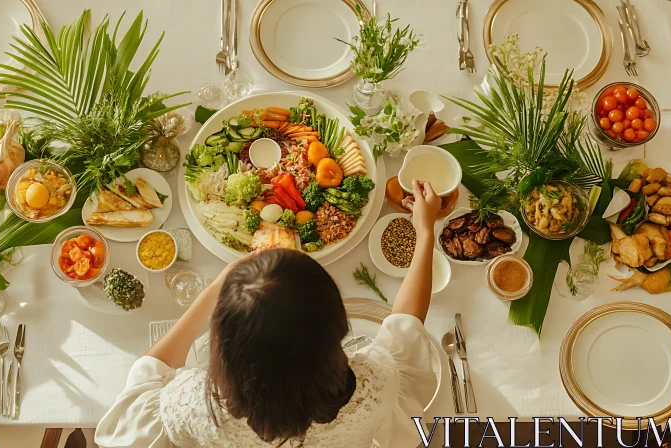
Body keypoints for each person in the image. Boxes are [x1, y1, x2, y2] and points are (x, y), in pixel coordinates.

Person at [95, 180, 442, 448]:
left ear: (223, 338)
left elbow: (147, 378)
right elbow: (406, 324)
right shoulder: (375, 386)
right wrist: (425, 232)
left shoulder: (194, 405)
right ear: (337, 326)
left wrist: (219, 285)